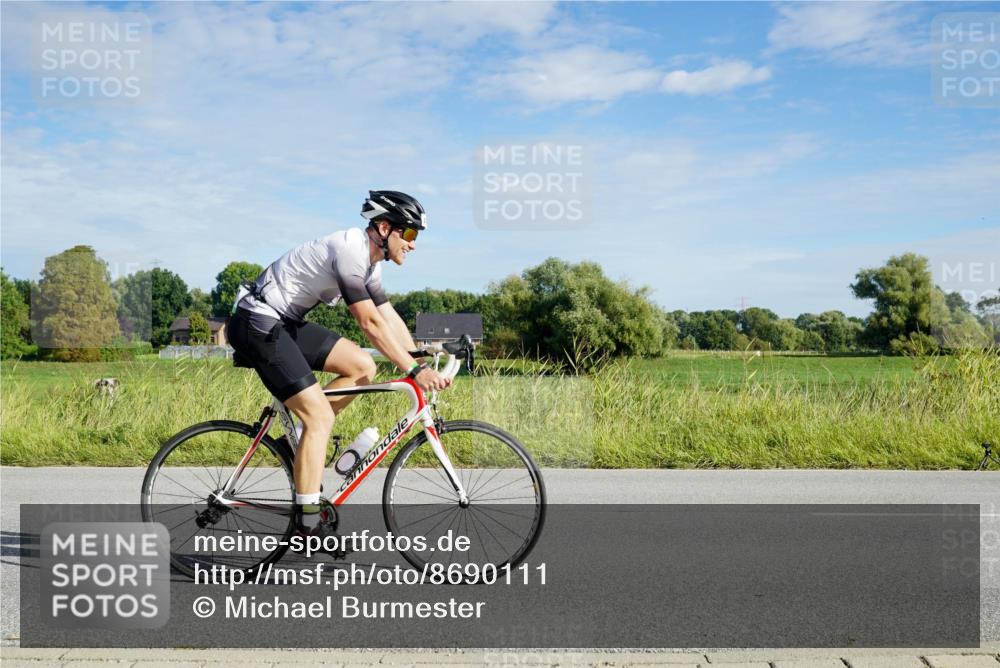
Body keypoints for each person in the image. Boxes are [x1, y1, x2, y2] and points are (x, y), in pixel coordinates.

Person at [228, 190, 452, 540]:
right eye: (408, 234)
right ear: (383, 227)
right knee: (319, 416)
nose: (413, 244)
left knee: (363, 365)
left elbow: (386, 315)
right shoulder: (350, 251)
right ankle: (307, 523)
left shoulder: (370, 263)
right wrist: (413, 371)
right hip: (258, 322)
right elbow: (369, 324)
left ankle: (300, 442)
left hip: (283, 322)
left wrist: (417, 357)